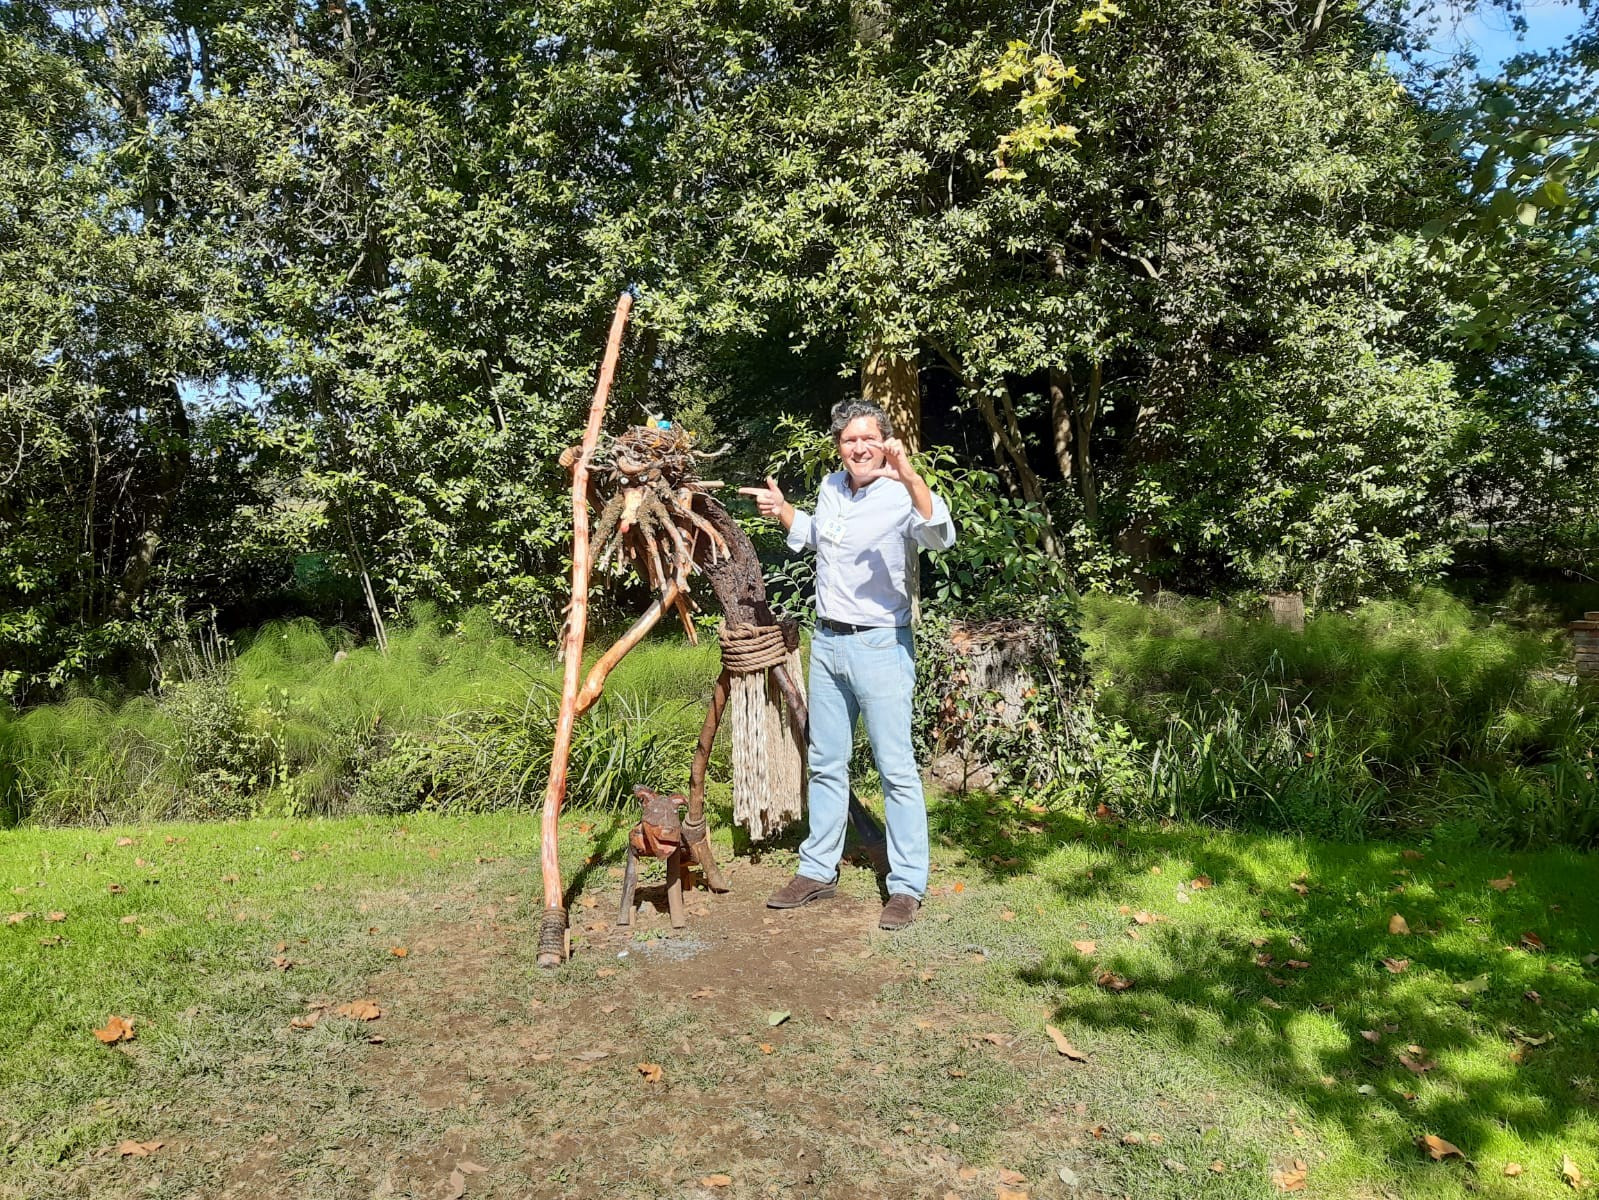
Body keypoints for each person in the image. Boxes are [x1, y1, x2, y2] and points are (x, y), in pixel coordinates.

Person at [738, 400, 956, 930]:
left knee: (896, 771)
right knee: (826, 764)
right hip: (829, 644)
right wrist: (785, 512)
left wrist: (907, 474)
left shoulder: (903, 492)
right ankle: (817, 870)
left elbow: (939, 534)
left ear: (885, 442)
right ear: (838, 446)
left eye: (868, 438)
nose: (858, 447)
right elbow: (822, 537)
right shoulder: (833, 487)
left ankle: (906, 886)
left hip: (882, 647)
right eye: (848, 439)